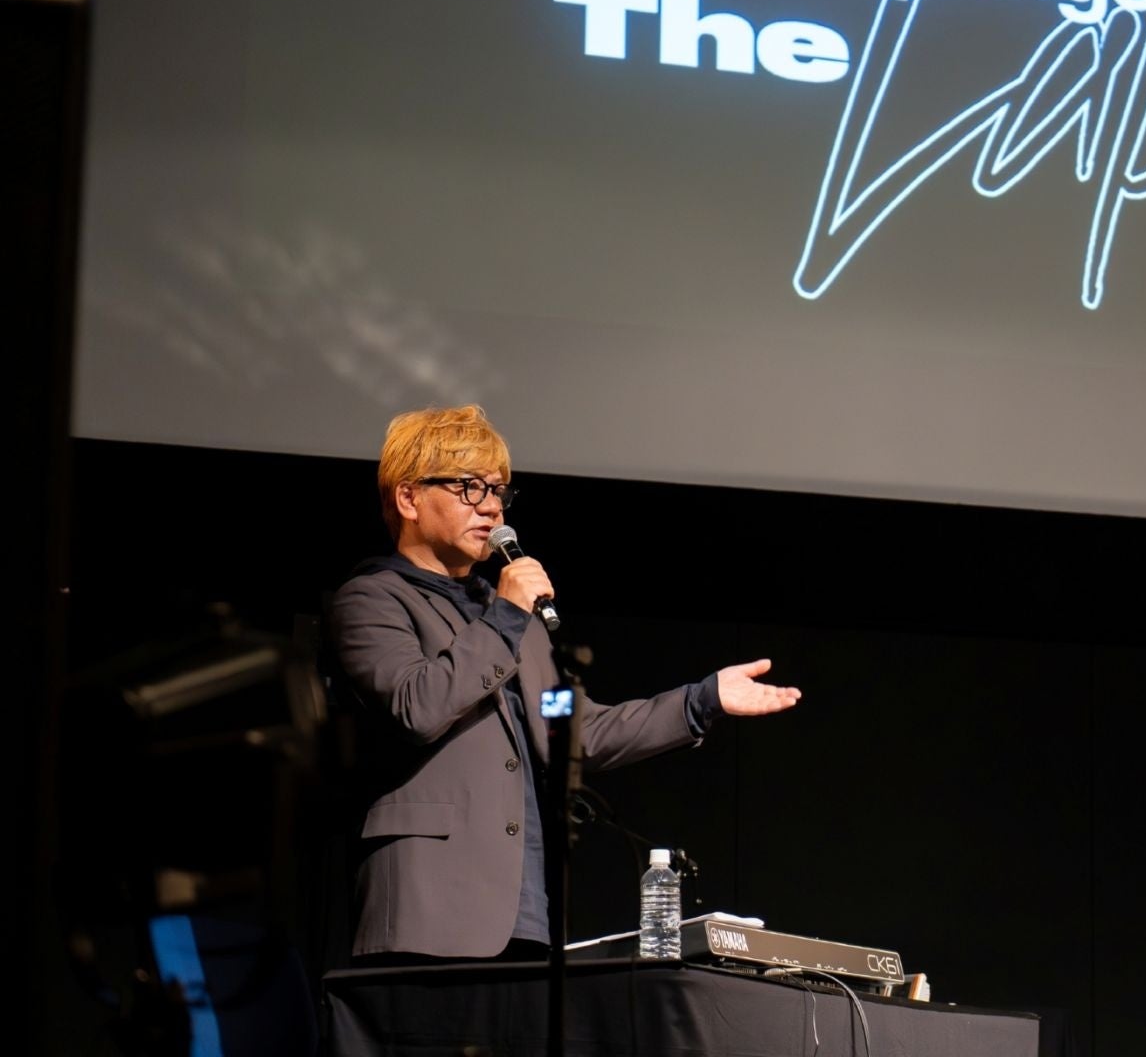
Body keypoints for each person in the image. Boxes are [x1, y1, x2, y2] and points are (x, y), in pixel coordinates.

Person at [328, 404, 799, 961]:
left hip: (521, 914)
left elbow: (576, 732)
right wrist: (506, 616)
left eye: (499, 491)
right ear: (409, 498)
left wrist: (701, 701)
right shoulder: (373, 599)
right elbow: (417, 705)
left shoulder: (505, 615)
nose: (492, 507)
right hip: (427, 911)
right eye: (469, 487)